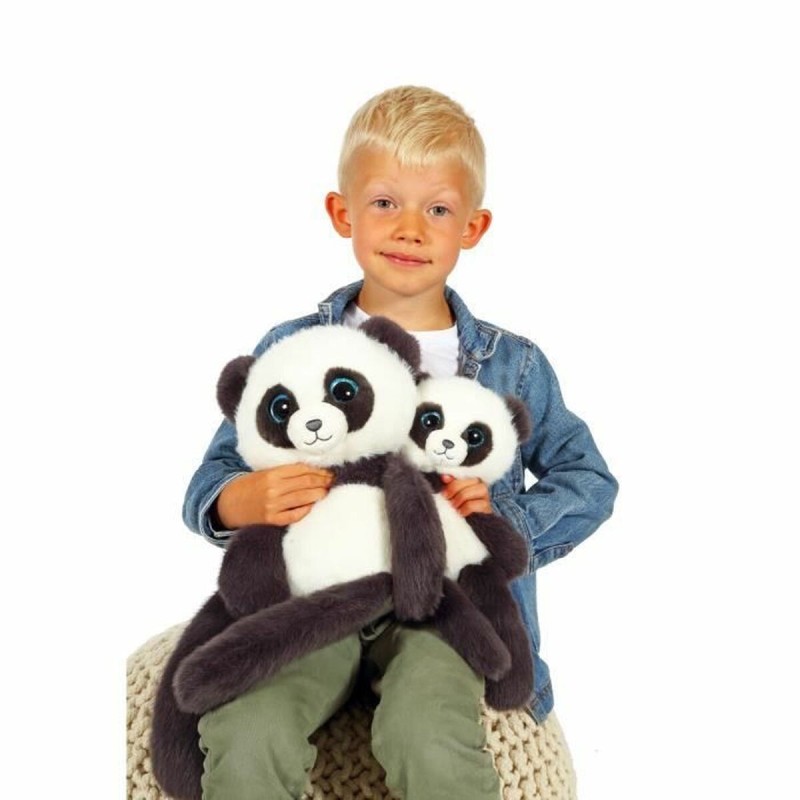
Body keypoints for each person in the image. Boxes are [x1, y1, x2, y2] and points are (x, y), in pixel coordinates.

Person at [182, 85, 618, 800]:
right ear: (342, 213)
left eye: (437, 210)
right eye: (385, 202)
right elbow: (215, 474)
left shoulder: (512, 366)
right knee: (249, 727)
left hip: (442, 611)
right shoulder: (296, 347)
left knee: (429, 730)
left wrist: (500, 523)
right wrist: (240, 499)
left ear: (473, 226)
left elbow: (588, 478)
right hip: (313, 602)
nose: (410, 229)